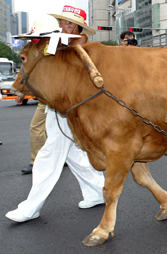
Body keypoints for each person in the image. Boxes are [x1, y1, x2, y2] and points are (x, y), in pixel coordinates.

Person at [6, 9, 105, 223]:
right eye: (63, 22)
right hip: (57, 105)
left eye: (72, 24)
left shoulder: (79, 46)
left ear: (78, 28)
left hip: (69, 107)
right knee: (74, 155)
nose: (66, 27)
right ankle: (97, 192)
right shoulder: (54, 43)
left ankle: (30, 207)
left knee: (48, 156)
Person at [21, 99, 46, 174]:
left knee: (36, 127)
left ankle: (38, 162)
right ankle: (62, 158)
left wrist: (22, 94)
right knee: (55, 127)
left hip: (47, 96)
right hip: (60, 93)